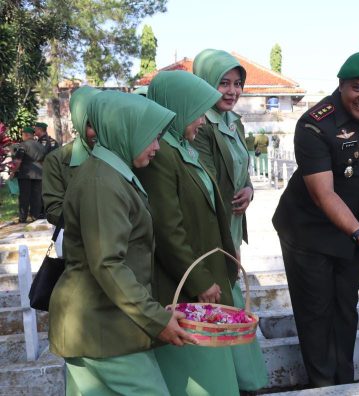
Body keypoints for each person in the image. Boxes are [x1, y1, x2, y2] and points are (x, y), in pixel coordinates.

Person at [48, 90, 196, 395]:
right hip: (101, 326)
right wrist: (156, 318)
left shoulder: (111, 173)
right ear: (125, 131)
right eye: (151, 137)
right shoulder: (102, 183)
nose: (156, 147)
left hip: (99, 324)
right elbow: (108, 264)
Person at [272, 51, 359, 387]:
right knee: (316, 312)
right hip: (308, 231)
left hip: (352, 227)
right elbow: (324, 195)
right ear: (341, 86)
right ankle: (323, 386)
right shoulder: (314, 124)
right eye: (358, 88)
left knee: (345, 307)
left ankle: (344, 381)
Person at [135, 70, 241, 396]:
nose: (201, 121)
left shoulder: (183, 146)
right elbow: (168, 229)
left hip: (208, 274)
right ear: (175, 109)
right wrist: (199, 280)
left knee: (215, 370)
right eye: (195, 113)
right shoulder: (160, 154)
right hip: (187, 287)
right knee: (199, 376)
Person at [192, 48, 268, 393]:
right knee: (224, 299)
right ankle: (233, 381)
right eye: (223, 83)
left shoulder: (233, 122)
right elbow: (205, 181)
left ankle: (244, 380)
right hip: (214, 225)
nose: (232, 91)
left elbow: (243, 170)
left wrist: (249, 190)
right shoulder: (200, 124)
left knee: (234, 296)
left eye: (237, 84)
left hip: (233, 222)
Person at [42, 86, 101, 228]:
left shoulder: (122, 153)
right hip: (81, 244)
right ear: (78, 122)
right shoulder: (57, 160)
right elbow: (54, 210)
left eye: (102, 123)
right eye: (90, 125)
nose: (99, 131)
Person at [15, 127, 44, 223]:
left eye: (22, 135)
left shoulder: (23, 145)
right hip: (39, 174)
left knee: (24, 196)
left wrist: (13, 171)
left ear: (26, 135)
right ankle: (35, 216)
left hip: (25, 174)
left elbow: (18, 161)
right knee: (36, 196)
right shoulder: (40, 145)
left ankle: (23, 217)